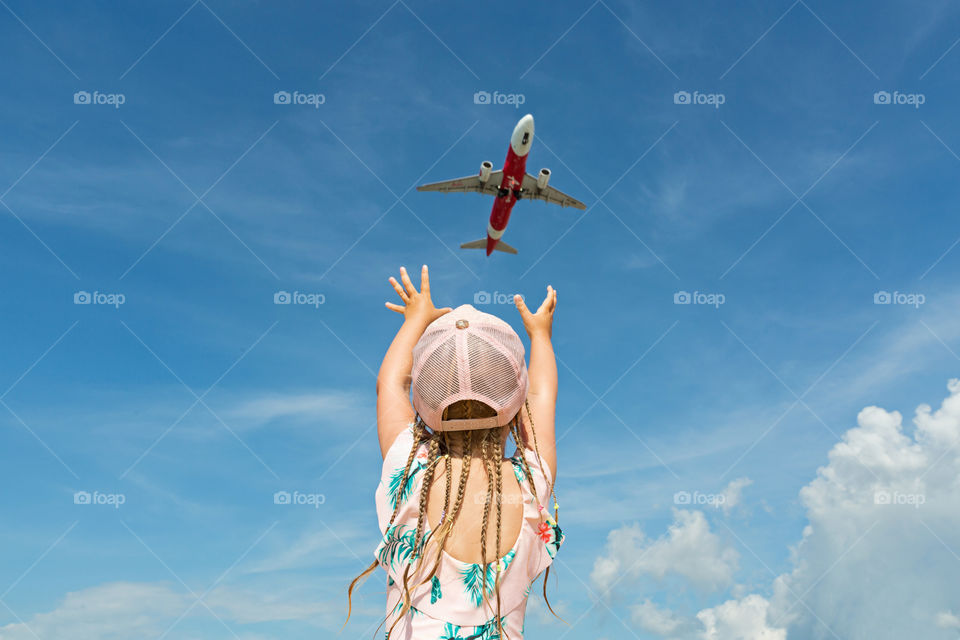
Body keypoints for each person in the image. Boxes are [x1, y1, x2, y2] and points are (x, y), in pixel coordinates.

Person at [345, 265, 564, 639]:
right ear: (514, 408)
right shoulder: (532, 482)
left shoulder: (409, 469)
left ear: (427, 404)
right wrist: (540, 335)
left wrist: (415, 318)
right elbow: (542, 396)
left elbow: (391, 386)